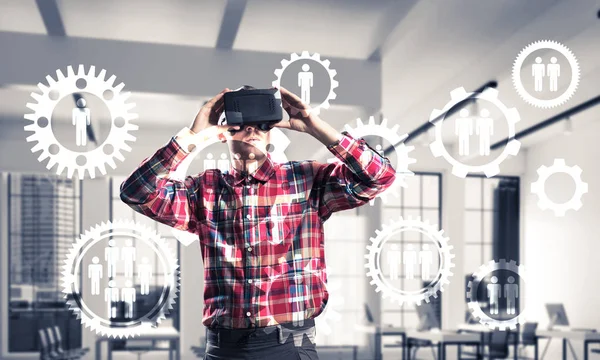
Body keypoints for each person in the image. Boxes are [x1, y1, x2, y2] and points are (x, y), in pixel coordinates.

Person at [120, 86, 396, 359]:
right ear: (224, 132)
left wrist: (316, 127)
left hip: (291, 344)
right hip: (224, 348)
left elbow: (380, 177)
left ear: (271, 133)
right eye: (242, 124)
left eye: (262, 125)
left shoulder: (306, 180)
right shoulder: (203, 190)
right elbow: (135, 193)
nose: (252, 130)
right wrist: (191, 137)